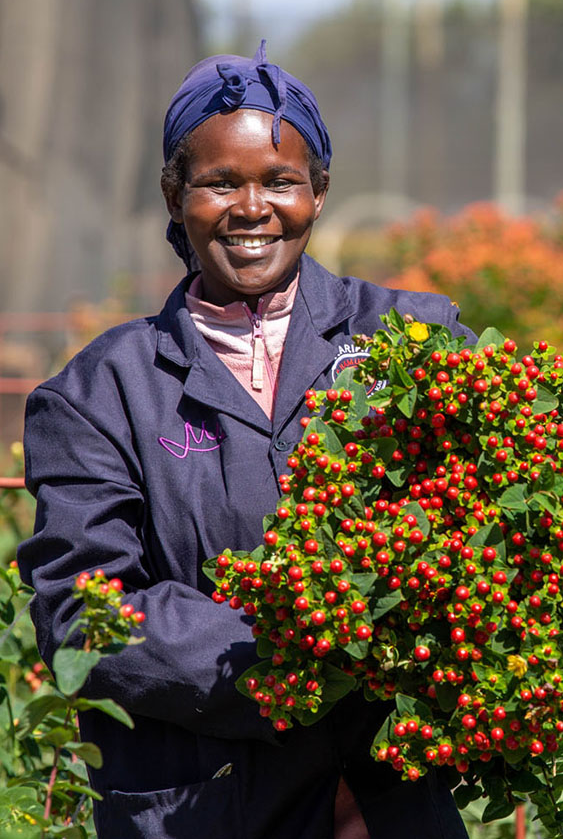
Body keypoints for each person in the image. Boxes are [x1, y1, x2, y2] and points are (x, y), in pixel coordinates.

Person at [17, 42, 474, 839]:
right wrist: (301, 654)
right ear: (175, 195)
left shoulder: (415, 340)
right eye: (220, 182)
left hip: (387, 801)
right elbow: (84, 607)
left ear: (320, 193)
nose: (252, 207)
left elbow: (494, 524)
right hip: (204, 804)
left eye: (280, 181)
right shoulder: (100, 392)